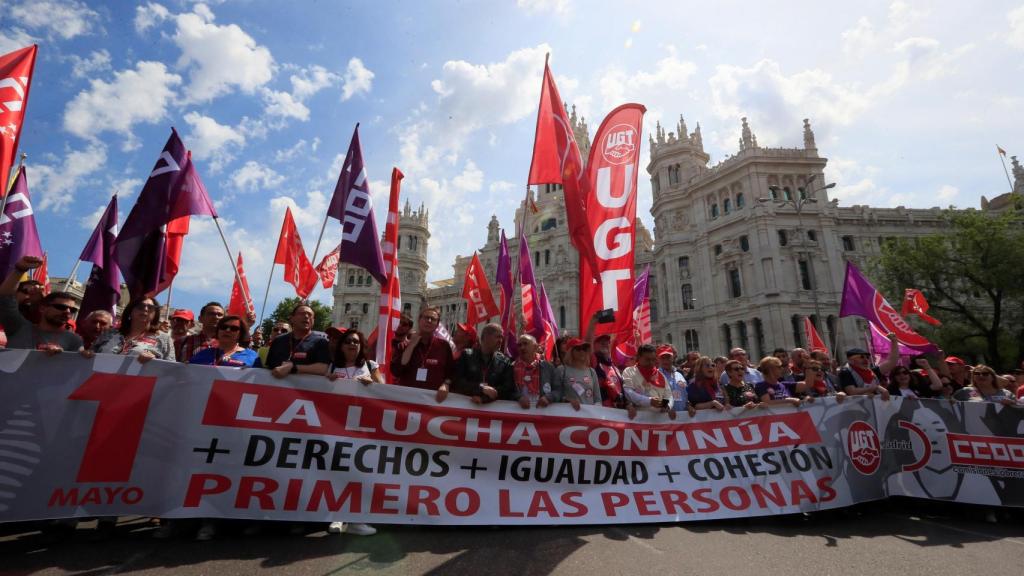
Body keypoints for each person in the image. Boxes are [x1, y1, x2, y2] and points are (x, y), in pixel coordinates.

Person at [0, 256, 83, 352]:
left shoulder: (74, 340)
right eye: (60, 307)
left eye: (72, 310)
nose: (67, 312)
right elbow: (4, 297)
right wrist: (20, 269)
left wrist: (61, 357)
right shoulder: (19, 327)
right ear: (43, 308)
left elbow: (77, 365)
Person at [440, 322, 512, 404]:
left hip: (490, 412)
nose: (500, 341)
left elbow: (507, 389)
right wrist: (481, 388)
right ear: (485, 337)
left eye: (501, 338)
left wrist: (485, 399)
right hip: (465, 408)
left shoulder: (504, 361)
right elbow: (458, 381)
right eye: (498, 337)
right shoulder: (467, 355)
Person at [90, 297, 175, 362]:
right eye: (140, 307)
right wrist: (85, 354)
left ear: (155, 314)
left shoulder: (164, 339)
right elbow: (90, 354)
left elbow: (170, 370)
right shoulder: (110, 333)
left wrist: (154, 362)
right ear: (130, 311)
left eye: (150, 307)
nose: (145, 309)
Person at [390, 306, 454, 391]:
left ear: (437, 324)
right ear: (419, 320)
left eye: (433, 319)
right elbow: (396, 371)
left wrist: (446, 385)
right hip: (407, 399)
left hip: (433, 400)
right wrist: (411, 346)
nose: (429, 321)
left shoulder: (444, 346)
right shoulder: (404, 345)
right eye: (426, 317)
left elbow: (451, 373)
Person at [264, 303, 330, 377]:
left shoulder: (321, 342)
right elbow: (269, 367)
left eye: (310, 315)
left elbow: (322, 368)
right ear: (292, 318)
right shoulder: (278, 340)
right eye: (302, 313)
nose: (306, 316)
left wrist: (293, 368)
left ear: (313, 321)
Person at [621, 344, 676, 419]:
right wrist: (649, 401)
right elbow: (628, 393)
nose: (651, 363)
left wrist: (666, 405)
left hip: (659, 421)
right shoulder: (629, 371)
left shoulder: (661, 376)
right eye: (647, 359)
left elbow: (669, 395)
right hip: (638, 420)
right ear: (639, 357)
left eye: (653, 359)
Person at [838, 336, 897, 401]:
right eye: (862, 357)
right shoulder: (846, 372)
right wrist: (874, 388)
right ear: (851, 360)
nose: (866, 360)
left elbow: (892, 362)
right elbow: (852, 391)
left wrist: (894, 342)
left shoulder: (872, 372)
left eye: (867, 357)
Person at [188, 316, 259, 367]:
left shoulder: (252, 357)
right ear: (218, 331)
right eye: (223, 327)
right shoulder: (203, 354)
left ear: (241, 333)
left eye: (234, 328)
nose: (227, 330)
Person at [511, 334, 557, 409]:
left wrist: (548, 397)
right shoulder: (512, 367)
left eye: (525, 344)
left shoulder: (548, 367)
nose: (522, 347)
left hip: (542, 413)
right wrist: (519, 397)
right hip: (519, 413)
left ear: (535, 347)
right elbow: (508, 390)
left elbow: (558, 390)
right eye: (519, 345)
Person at [555, 338, 602, 410]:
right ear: (570, 351)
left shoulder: (592, 372)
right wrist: (567, 400)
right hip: (568, 416)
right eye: (578, 348)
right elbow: (555, 394)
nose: (582, 351)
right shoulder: (562, 370)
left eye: (584, 349)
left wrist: (595, 410)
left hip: (588, 418)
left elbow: (598, 399)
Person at [657, 345, 695, 417]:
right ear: (658, 359)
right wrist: (667, 407)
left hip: (682, 418)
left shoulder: (679, 375)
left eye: (668, 357)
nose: (665, 361)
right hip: (665, 419)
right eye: (662, 358)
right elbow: (654, 396)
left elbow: (684, 394)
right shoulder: (655, 375)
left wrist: (689, 406)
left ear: (673, 357)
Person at [952, 365, 1018, 405]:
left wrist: (1012, 404)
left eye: (985, 374)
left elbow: (1018, 410)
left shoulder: (1007, 394)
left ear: (993, 377)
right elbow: (949, 404)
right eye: (977, 373)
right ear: (973, 377)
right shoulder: (964, 391)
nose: (981, 375)